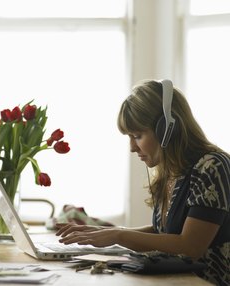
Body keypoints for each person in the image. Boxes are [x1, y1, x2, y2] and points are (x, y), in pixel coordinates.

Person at [56, 79, 230, 285]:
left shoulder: (212, 166)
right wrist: (104, 234)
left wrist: (118, 236)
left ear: (167, 129)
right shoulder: (170, 171)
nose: (132, 147)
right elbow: (163, 234)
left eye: (137, 135)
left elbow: (190, 246)